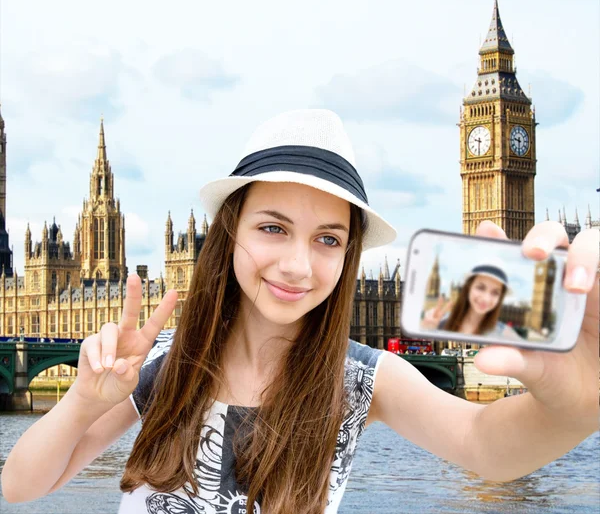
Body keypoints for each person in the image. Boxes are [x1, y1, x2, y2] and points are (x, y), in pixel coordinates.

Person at [1, 110, 598, 514]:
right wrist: (83, 399)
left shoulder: (360, 379)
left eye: (328, 239)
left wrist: (582, 401)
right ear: (227, 232)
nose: (297, 265)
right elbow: (21, 484)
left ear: (350, 255)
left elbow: (486, 445)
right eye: (272, 228)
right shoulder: (165, 365)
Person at [421, 264, 522, 340]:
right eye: (480, 288)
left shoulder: (504, 333)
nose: (486, 298)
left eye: (495, 293)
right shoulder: (440, 323)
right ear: (468, 288)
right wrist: (427, 331)